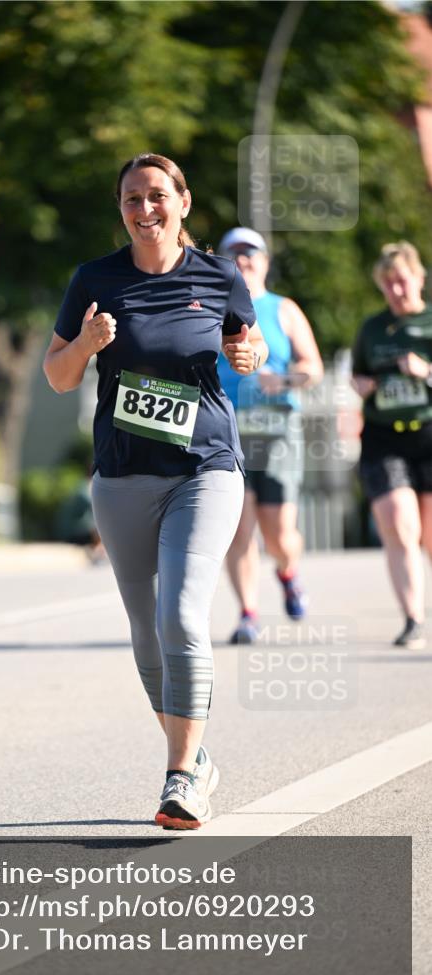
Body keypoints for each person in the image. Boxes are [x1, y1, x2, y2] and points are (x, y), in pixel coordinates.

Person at [43, 153, 268, 830]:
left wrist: (247, 355)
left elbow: (245, 341)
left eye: (156, 197)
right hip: (121, 476)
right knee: (146, 633)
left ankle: (179, 776)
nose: (145, 210)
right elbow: (57, 376)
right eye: (132, 200)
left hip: (204, 468)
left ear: (183, 203)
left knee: (180, 613)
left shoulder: (217, 275)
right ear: (121, 210)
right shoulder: (95, 280)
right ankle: (195, 759)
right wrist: (84, 343)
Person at [215, 228, 324, 644]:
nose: (243, 261)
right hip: (226, 432)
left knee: (279, 533)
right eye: (234, 255)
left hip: (276, 431)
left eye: (250, 254)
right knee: (237, 528)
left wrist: (285, 379)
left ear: (264, 261)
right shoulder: (211, 307)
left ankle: (288, 572)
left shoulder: (284, 310)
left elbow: (312, 367)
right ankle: (247, 613)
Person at [351, 241, 432, 649]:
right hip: (385, 438)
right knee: (400, 525)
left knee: (430, 534)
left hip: (429, 434)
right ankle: (413, 619)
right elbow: (358, 376)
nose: (397, 291)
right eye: (388, 285)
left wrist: (426, 371)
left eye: (402, 282)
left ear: (418, 278)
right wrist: (361, 385)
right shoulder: (372, 328)